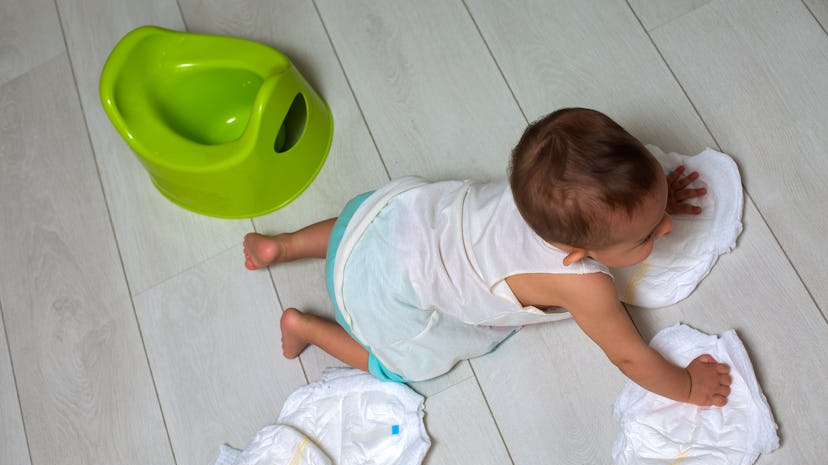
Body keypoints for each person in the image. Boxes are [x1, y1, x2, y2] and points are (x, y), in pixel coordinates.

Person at [244, 108, 731, 406]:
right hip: (384, 299)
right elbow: (629, 355)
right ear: (580, 255)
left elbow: (609, 194)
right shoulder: (587, 286)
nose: (667, 228)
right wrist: (687, 386)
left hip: (390, 222)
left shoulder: (543, 191)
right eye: (648, 234)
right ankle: (305, 327)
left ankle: (282, 246)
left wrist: (654, 198)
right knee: (399, 368)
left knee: (355, 230)